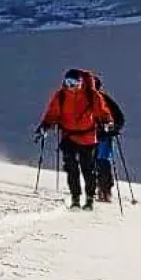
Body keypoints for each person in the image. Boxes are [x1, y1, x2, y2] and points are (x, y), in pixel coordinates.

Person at [36, 68, 113, 209]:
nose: (70, 86)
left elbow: (101, 111)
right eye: (67, 82)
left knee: (87, 169)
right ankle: (75, 198)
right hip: (69, 136)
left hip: (88, 137)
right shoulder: (60, 96)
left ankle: (89, 198)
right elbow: (52, 113)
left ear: (81, 83)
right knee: (71, 168)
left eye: (74, 83)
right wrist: (45, 126)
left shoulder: (92, 95)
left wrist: (107, 121)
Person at [91, 75, 126, 203]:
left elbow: (119, 119)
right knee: (98, 162)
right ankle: (102, 190)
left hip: (102, 137)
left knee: (101, 162)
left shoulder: (104, 99)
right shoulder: (83, 100)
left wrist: (113, 128)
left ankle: (103, 190)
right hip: (92, 137)